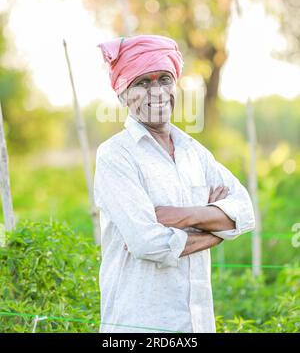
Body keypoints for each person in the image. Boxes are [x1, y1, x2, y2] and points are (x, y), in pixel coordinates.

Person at [93, 34, 255, 333]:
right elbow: (147, 243)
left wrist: (182, 215)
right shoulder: (115, 156)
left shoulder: (195, 152)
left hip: (196, 324)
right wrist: (216, 231)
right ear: (123, 94)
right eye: (143, 82)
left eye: (164, 79)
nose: (156, 91)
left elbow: (245, 212)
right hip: (139, 326)